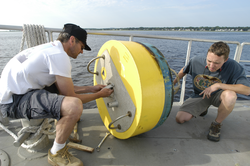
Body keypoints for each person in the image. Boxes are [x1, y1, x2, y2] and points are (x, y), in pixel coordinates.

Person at [0, 23, 114, 166]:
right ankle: (56, 153)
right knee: (74, 107)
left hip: (15, 93)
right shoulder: (59, 56)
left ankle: (61, 120)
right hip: (14, 102)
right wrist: (100, 94)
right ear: (72, 40)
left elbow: (64, 88)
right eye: (82, 47)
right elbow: (72, 96)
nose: (82, 52)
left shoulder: (51, 48)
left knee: (66, 99)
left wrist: (91, 88)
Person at [173, 41, 250, 142]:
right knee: (180, 119)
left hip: (219, 96)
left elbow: (247, 90)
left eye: (217, 63)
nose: (212, 65)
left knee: (230, 96)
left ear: (225, 60)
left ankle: (216, 124)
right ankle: (203, 108)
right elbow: (184, 70)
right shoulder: (196, 60)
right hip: (200, 95)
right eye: (209, 61)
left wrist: (218, 85)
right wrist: (172, 83)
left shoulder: (234, 66)